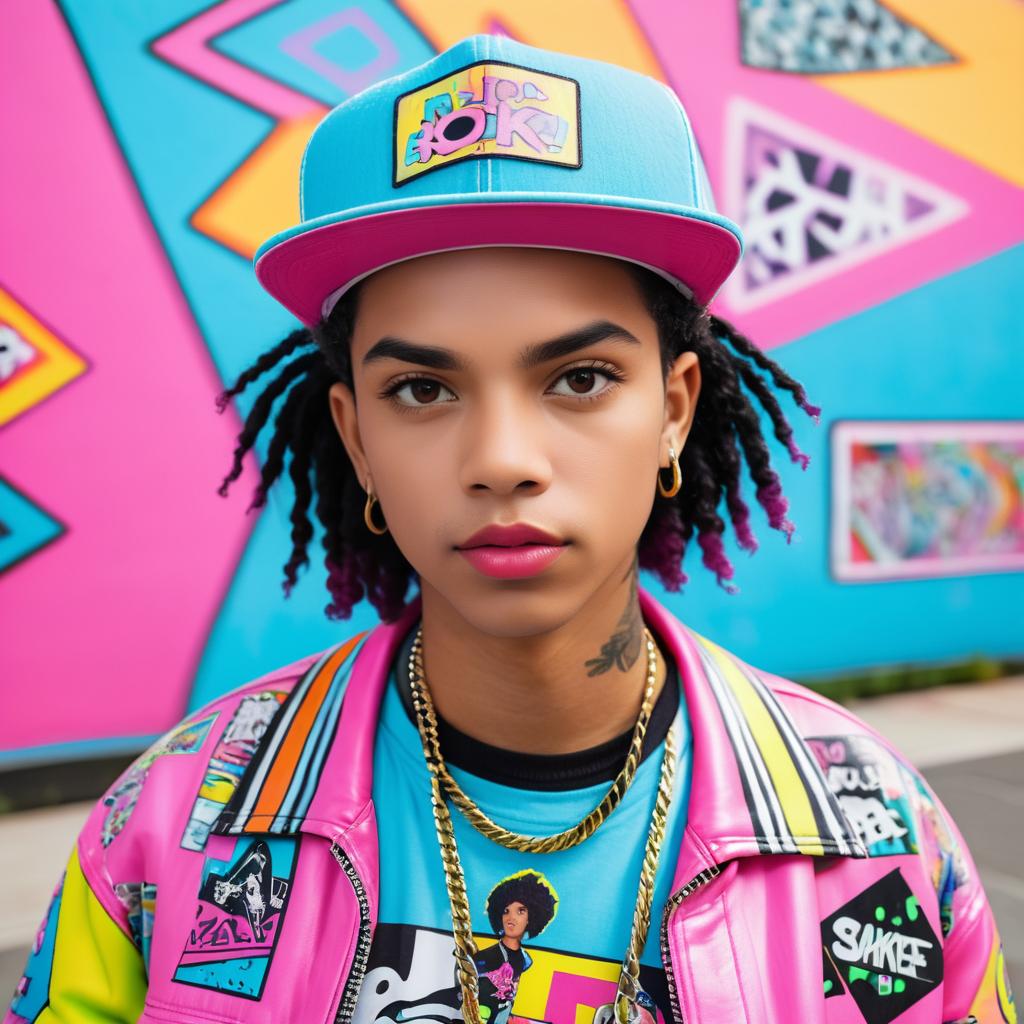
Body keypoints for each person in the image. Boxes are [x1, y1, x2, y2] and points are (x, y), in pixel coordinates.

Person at [6, 33, 1015, 1024]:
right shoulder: (173, 828)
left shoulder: (876, 837)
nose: (500, 456)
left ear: (672, 408)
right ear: (355, 437)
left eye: (578, 378)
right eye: (421, 388)